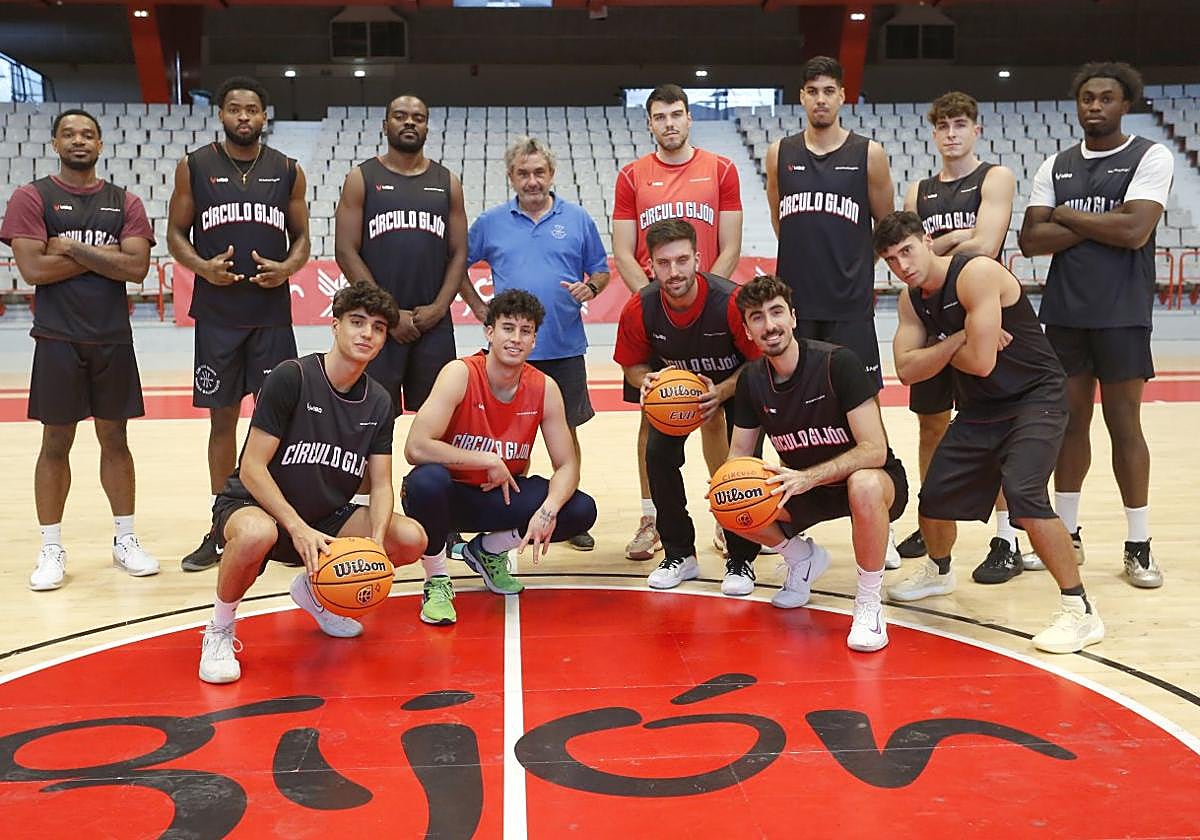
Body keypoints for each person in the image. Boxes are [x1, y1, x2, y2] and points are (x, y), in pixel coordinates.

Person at [880, 211, 1104, 654]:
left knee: (1024, 491)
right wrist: (959, 338)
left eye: (907, 250)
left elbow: (981, 362)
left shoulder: (975, 274)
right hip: (983, 405)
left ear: (927, 240)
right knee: (935, 496)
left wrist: (935, 349)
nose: (902, 265)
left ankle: (1080, 611)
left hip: (1035, 396)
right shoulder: (912, 300)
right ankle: (939, 571)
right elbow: (905, 371)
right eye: (890, 259)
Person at [197, 281, 427, 684]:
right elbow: (252, 467)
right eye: (356, 322)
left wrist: (374, 541)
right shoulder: (293, 377)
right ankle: (219, 628)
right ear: (335, 325)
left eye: (377, 327)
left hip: (324, 517)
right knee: (255, 535)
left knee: (409, 538)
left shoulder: (378, 402)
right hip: (255, 506)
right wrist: (297, 527)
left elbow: (382, 484)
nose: (366, 334)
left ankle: (316, 588)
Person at [1018, 61, 1172, 589]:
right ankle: (1068, 533)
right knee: (1068, 424)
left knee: (1124, 425)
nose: (1096, 106)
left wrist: (1064, 215)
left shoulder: (1150, 155)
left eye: (1107, 98)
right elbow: (1029, 241)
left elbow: (1133, 230)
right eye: (1088, 98)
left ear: (1124, 103)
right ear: (1077, 103)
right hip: (1063, 313)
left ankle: (1138, 542)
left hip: (1122, 312)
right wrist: (1097, 223)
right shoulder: (1055, 164)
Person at [1, 108, 159, 590]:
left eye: (88, 133)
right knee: (55, 444)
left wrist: (70, 248)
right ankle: (51, 546)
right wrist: (106, 259)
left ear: (100, 144)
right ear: (54, 143)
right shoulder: (32, 197)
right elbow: (34, 271)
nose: (79, 140)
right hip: (57, 338)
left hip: (112, 337)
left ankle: (124, 539)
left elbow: (137, 270)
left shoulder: (124, 201)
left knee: (116, 441)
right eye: (68, 133)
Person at [167, 76, 311, 573]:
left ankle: (280, 517)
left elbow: (303, 241)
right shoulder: (195, 166)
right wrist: (202, 268)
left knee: (277, 422)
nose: (244, 117)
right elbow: (175, 235)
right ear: (222, 114)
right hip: (218, 315)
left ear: (264, 116)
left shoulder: (288, 170)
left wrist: (289, 268)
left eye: (252, 109)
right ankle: (221, 524)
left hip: (270, 315)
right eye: (234, 109)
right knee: (222, 420)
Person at [764, 56, 901, 569]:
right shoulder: (781, 153)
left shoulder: (871, 155)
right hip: (795, 311)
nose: (820, 99)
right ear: (801, 97)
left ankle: (879, 522)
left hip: (848, 309)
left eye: (829, 90)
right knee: (795, 416)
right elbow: (784, 222)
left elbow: (885, 227)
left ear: (844, 96)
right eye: (811, 90)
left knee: (866, 415)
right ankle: (793, 523)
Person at [726, 276, 908, 652]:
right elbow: (738, 456)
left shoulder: (837, 363)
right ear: (747, 330)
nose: (769, 324)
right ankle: (802, 558)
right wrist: (732, 490)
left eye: (776, 312)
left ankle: (869, 603)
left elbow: (874, 449)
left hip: (869, 482)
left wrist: (810, 477)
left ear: (793, 317)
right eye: (757, 318)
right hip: (802, 487)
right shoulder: (751, 382)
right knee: (727, 498)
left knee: (865, 484)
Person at [896, 90, 1027, 583]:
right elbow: (917, 254)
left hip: (982, 313)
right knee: (931, 427)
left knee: (995, 429)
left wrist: (939, 245)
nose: (951, 134)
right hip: (934, 318)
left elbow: (987, 244)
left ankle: (1006, 538)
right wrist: (954, 239)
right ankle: (936, 525)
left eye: (959, 125)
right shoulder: (919, 190)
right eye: (943, 126)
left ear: (976, 129)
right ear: (933, 133)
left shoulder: (994, 177)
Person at [402, 290, 597, 613]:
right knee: (426, 481)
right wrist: (486, 459)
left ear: (534, 340)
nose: (516, 339)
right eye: (508, 328)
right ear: (489, 332)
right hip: (450, 498)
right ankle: (436, 580)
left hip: (500, 497)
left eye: (526, 331)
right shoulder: (460, 373)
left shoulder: (544, 388)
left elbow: (566, 465)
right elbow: (416, 446)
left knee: (579, 509)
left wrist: (546, 512)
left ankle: (488, 550)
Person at [612, 84, 744, 562]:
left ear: (690, 119)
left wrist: (706, 299)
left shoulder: (721, 169)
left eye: (677, 114)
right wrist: (652, 300)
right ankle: (652, 517)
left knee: (715, 415)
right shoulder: (632, 176)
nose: (669, 123)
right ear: (649, 123)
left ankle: (728, 511)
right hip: (658, 312)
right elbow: (624, 251)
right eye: (659, 116)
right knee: (654, 416)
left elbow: (730, 245)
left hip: (706, 307)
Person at [464, 136, 610, 552]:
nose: (532, 181)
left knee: (567, 436)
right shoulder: (491, 222)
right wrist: (478, 306)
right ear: (511, 177)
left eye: (539, 172)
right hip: (509, 355)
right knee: (507, 438)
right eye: (523, 173)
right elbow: (459, 265)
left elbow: (600, 271)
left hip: (563, 348)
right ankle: (507, 510)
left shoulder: (577, 219)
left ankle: (563, 511)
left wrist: (591, 289)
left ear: (552, 174)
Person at [614, 219, 761, 595]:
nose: (674, 271)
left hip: (736, 388)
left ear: (698, 258)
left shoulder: (731, 301)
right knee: (658, 458)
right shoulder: (640, 307)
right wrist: (644, 380)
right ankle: (680, 553)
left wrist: (723, 390)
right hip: (676, 395)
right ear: (651, 266)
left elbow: (759, 362)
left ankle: (741, 559)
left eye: (682, 260)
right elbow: (632, 365)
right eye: (664, 263)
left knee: (738, 470)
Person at [334, 93, 468, 420]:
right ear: (385, 125)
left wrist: (439, 308)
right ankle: (374, 475)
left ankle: (432, 475)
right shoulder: (361, 178)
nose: (409, 122)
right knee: (370, 419)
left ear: (427, 127)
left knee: (439, 420)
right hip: (375, 321)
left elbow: (459, 252)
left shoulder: (447, 181)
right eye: (400, 115)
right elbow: (345, 250)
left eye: (418, 117)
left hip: (432, 323)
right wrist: (389, 313)